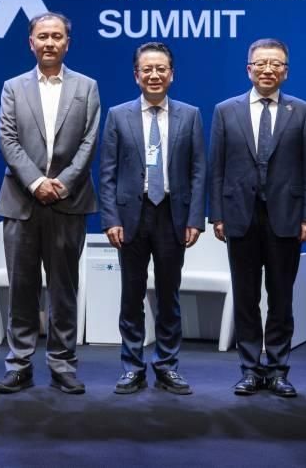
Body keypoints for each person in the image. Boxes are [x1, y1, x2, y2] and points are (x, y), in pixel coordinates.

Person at [0, 12, 100, 395]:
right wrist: (37, 182)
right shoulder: (12, 87)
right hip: (22, 202)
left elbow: (89, 142)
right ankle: (19, 365)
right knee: (21, 289)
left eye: (57, 36)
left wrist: (62, 183)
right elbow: (8, 139)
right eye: (43, 36)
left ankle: (62, 365)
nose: (50, 42)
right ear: (31, 43)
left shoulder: (87, 87)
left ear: (67, 43)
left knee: (63, 291)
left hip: (68, 203)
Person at [208, 38, 306, 398]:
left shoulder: (302, 111)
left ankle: (277, 370)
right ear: (249, 69)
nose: (268, 69)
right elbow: (216, 168)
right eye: (261, 63)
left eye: (276, 64)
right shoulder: (226, 110)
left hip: (287, 217)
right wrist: (217, 215)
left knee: (281, 299)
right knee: (245, 298)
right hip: (240, 217)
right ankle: (249, 369)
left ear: (285, 71)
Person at [99, 41, 205, 395]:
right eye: (147, 69)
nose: (154, 75)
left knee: (169, 295)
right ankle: (132, 367)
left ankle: (167, 366)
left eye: (161, 69)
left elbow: (198, 171)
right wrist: (110, 218)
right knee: (131, 295)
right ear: (136, 75)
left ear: (171, 74)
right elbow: (107, 172)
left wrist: (195, 219)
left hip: (173, 214)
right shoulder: (117, 115)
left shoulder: (190, 115)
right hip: (131, 215)